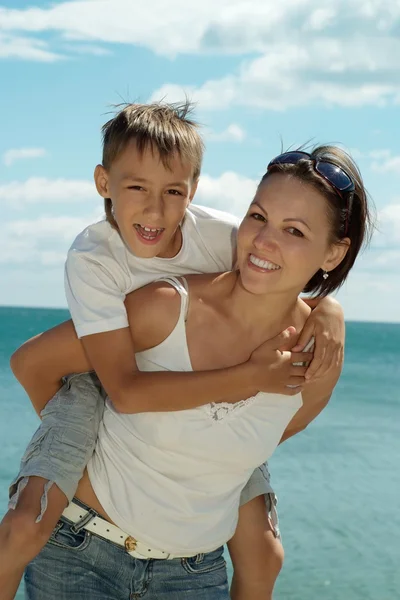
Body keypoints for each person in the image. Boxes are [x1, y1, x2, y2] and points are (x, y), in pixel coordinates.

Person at [0, 103, 346, 600]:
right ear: (104, 183)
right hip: (103, 379)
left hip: (220, 388)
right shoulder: (94, 258)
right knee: (24, 526)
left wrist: (328, 308)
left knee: (265, 554)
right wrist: (92, 441)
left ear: (193, 191)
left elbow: (281, 273)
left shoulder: (225, 237)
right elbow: (115, 387)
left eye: (173, 192)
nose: (155, 210)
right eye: (136, 187)